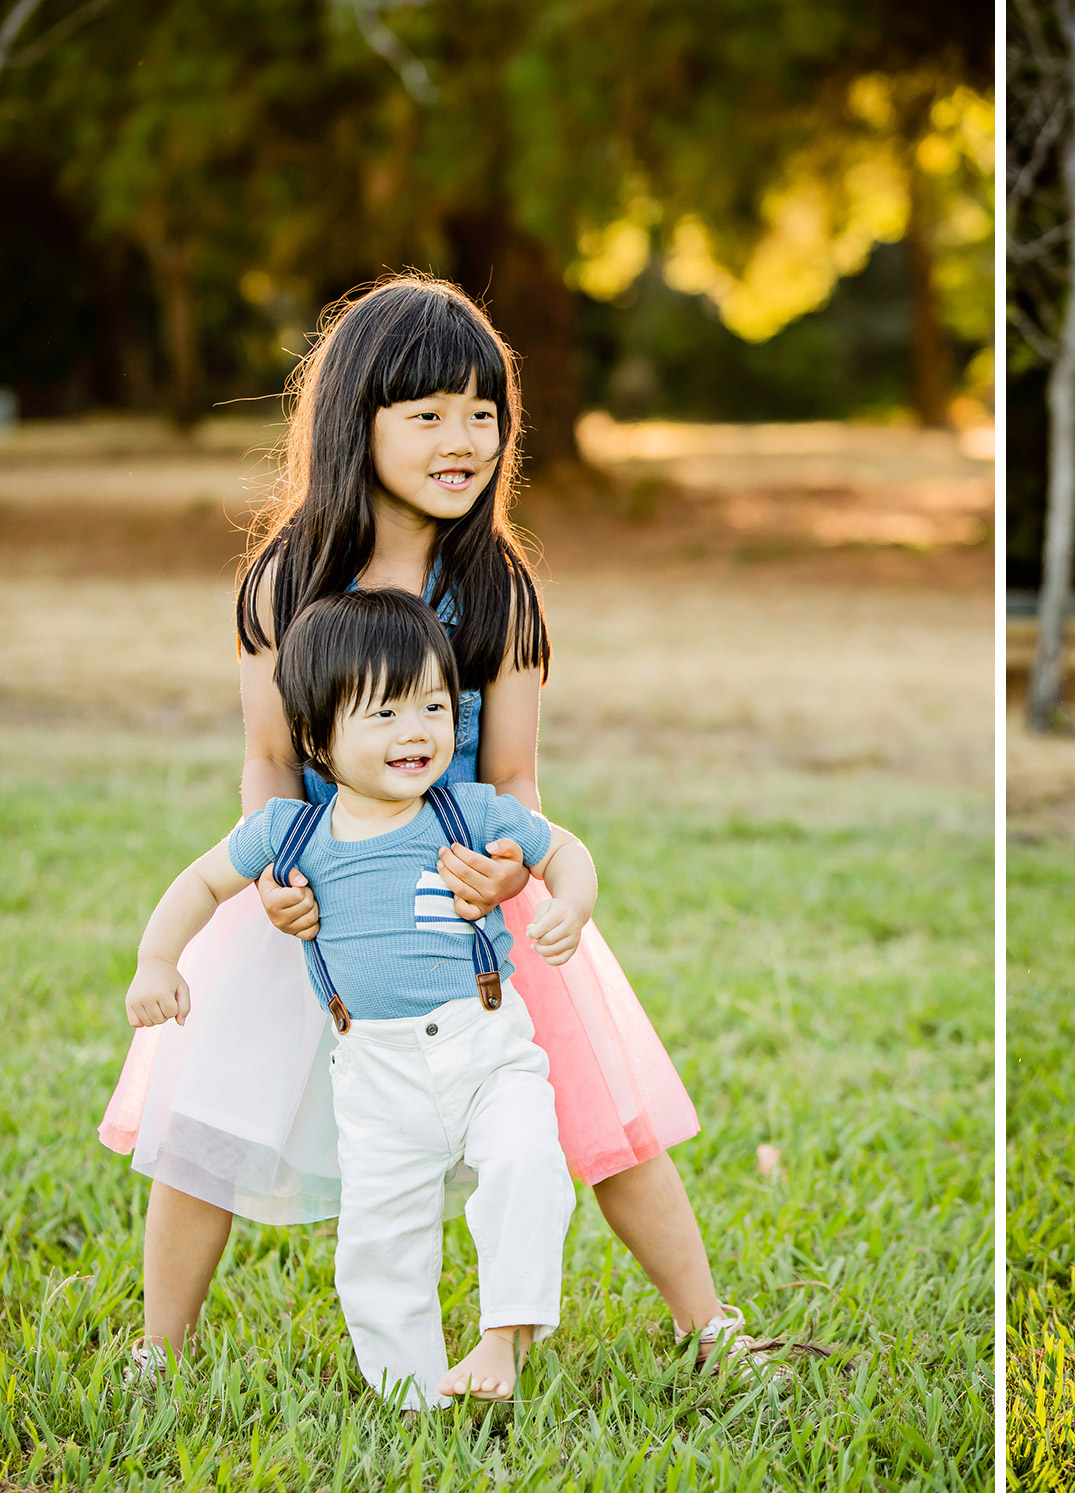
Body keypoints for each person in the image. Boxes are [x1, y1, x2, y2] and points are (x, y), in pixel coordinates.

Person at [101, 275, 765, 1380]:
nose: (463, 438)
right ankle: (157, 1344)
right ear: (355, 418)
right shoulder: (285, 582)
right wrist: (273, 881)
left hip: (466, 890)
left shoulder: (495, 588)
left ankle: (709, 1323)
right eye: (428, 413)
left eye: (484, 412)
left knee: (599, 1112)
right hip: (313, 881)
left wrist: (509, 871)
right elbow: (270, 756)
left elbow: (513, 772)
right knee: (208, 1113)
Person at [127, 590, 585, 1407]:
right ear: (317, 739)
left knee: (526, 1162)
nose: (417, 731)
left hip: (485, 1048)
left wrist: (570, 904)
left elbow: (565, 851)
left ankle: (501, 1337)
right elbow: (201, 880)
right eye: (385, 712)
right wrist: (157, 959)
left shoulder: (468, 811)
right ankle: (414, 1394)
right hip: (373, 1067)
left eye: (436, 707)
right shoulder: (291, 831)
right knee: (380, 1236)